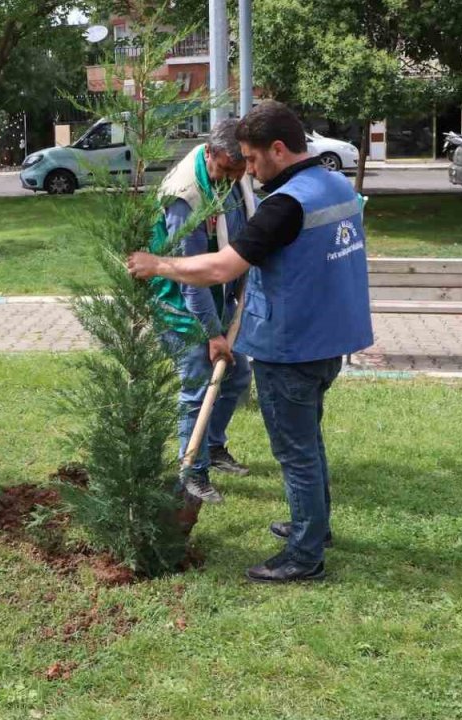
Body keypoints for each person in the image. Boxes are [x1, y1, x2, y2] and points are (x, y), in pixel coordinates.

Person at [127, 101, 373, 583]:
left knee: (295, 452)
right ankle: (314, 528)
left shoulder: (286, 204)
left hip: (292, 346)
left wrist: (157, 264)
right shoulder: (336, 183)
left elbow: (220, 267)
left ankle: (305, 556)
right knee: (310, 440)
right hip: (332, 340)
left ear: (278, 150)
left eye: (254, 160)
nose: (250, 172)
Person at [150, 118, 256, 504]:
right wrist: (212, 335)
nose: (234, 177)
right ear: (210, 154)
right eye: (226, 170)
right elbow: (188, 276)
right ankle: (192, 470)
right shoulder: (185, 197)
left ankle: (212, 446)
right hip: (182, 305)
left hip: (221, 295)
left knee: (238, 371)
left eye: (239, 169)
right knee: (198, 385)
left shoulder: (234, 169)